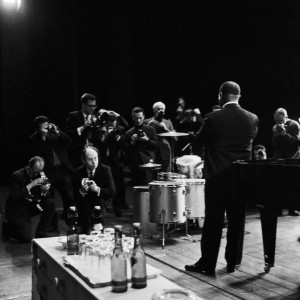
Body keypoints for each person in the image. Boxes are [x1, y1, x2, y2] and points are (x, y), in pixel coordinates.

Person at [185, 81, 259, 275]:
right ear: (239, 97)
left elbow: (198, 142)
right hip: (240, 180)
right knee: (237, 221)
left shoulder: (213, 118)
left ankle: (207, 264)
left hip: (217, 179)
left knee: (213, 221)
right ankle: (233, 262)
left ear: (220, 95)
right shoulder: (252, 119)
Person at [29, 116, 75, 220]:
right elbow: (36, 153)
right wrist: (43, 137)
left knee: (69, 196)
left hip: (62, 170)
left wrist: (58, 132)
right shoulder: (33, 139)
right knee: (49, 198)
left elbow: (69, 141)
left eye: (47, 124)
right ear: (37, 128)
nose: (46, 127)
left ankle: (70, 217)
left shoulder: (55, 133)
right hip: (47, 172)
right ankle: (51, 221)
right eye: (42, 126)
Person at [4, 156, 56, 242]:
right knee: (26, 238)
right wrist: (32, 184)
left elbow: (46, 196)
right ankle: (8, 228)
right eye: (35, 171)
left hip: (31, 205)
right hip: (17, 209)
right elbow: (14, 197)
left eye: (40, 171)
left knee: (50, 203)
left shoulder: (40, 173)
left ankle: (41, 232)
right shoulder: (17, 176)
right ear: (29, 167)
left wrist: (44, 191)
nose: (37, 174)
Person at [73, 146, 116, 234]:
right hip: (84, 204)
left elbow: (112, 192)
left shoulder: (105, 170)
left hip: (100, 203)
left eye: (95, 158)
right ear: (83, 160)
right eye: (90, 159)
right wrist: (81, 191)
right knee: (84, 227)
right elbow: (73, 196)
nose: (94, 162)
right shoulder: (77, 172)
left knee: (97, 217)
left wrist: (97, 189)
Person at [94, 113, 128, 217]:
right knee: (103, 184)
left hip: (116, 162)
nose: (112, 126)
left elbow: (123, 144)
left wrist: (117, 137)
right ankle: (101, 208)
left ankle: (117, 208)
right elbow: (99, 145)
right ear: (107, 122)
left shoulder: (120, 129)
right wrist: (104, 135)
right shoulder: (101, 129)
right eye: (110, 124)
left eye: (114, 124)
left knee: (118, 186)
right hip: (104, 161)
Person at [272, 108, 300, 216]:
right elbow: (274, 144)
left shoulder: (294, 125)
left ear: (285, 116)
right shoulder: (277, 127)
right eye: (277, 122)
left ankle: (292, 208)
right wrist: (277, 134)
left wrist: (285, 134)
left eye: (280, 121)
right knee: (278, 183)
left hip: (292, 157)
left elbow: (296, 141)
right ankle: (278, 208)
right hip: (279, 157)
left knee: (292, 183)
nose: (278, 124)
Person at [124, 107, 158, 186]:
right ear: (133, 118)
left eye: (140, 118)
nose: (138, 120)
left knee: (148, 188)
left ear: (144, 117)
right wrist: (132, 142)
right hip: (135, 166)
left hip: (148, 164)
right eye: (136, 118)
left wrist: (147, 139)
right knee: (136, 191)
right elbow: (125, 151)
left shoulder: (150, 129)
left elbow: (156, 146)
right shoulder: (129, 133)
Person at [65, 93, 99, 168]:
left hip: (93, 154)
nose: (93, 108)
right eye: (90, 106)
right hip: (78, 154)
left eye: (94, 106)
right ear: (83, 105)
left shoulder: (96, 117)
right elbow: (68, 134)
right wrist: (82, 127)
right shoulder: (73, 116)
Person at [144, 101, 175, 172]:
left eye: (162, 109)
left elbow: (175, 137)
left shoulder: (168, 122)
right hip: (152, 150)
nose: (160, 111)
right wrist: (149, 126)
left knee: (165, 172)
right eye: (158, 109)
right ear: (154, 110)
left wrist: (165, 128)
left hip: (165, 150)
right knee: (152, 172)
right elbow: (143, 135)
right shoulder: (147, 121)